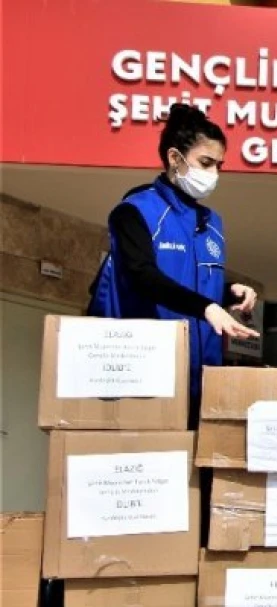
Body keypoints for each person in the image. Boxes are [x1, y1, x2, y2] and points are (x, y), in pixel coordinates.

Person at [88, 103, 257, 427]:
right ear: (175, 158)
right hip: (146, 378)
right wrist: (206, 306)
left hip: (203, 378)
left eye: (219, 166)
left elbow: (189, 285)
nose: (213, 175)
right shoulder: (135, 211)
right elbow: (143, 277)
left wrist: (227, 293)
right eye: (205, 163)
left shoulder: (212, 223)